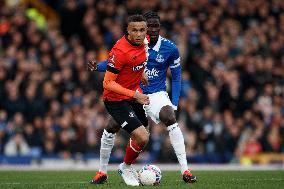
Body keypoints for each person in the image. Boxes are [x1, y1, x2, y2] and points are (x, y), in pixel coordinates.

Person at [89, 12, 197, 184]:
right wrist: (98, 67)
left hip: (155, 95)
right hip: (133, 92)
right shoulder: (137, 43)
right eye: (149, 26)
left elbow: (176, 77)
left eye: (156, 26)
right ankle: (103, 172)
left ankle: (185, 170)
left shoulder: (170, 48)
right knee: (113, 126)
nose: (152, 30)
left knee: (169, 116)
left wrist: (174, 103)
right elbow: (115, 63)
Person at [91, 14, 150, 186]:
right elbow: (107, 83)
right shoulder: (120, 51)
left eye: (142, 30)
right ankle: (125, 167)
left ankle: (102, 173)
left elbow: (137, 62)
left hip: (131, 94)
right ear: (128, 31)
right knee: (142, 137)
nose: (139, 34)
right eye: (134, 30)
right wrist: (135, 95)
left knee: (113, 127)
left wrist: (141, 73)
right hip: (116, 99)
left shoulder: (145, 41)